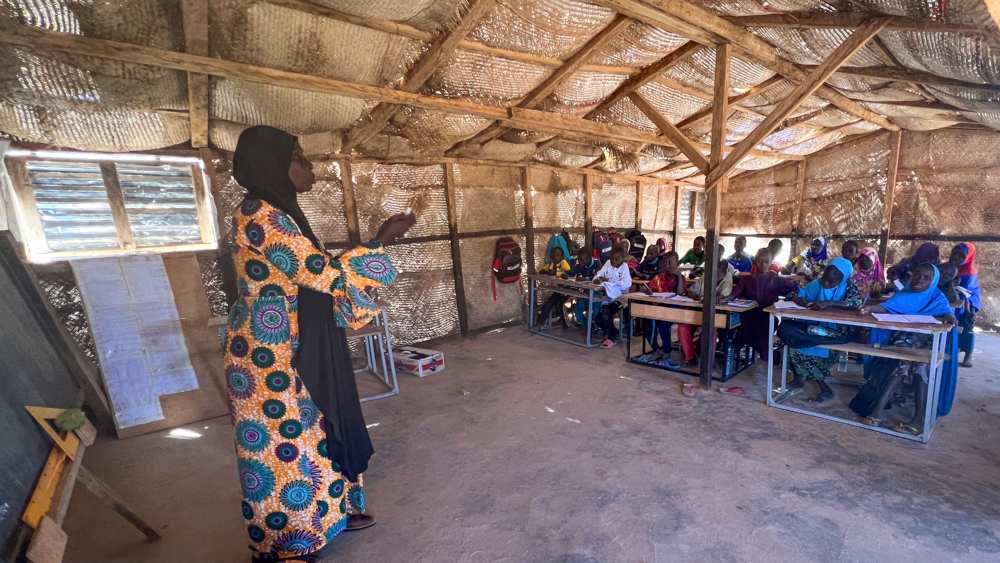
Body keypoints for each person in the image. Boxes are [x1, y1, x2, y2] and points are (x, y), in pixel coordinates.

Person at [226, 126, 415, 562]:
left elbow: (317, 271)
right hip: (269, 353)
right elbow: (322, 274)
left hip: (301, 339)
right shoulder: (260, 214)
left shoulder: (284, 212)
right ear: (274, 165)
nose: (308, 167)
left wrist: (375, 244)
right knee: (284, 445)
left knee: (318, 430)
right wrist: (381, 240)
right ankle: (286, 544)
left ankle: (330, 515)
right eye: (299, 157)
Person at [851, 264, 958, 433]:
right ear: (911, 274)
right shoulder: (905, 292)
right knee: (905, 360)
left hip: (929, 340)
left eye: (926, 278)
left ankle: (903, 414)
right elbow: (886, 307)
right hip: (904, 339)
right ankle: (910, 417)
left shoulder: (937, 297)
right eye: (917, 275)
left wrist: (950, 317)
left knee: (921, 364)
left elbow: (946, 313)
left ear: (934, 281)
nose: (919, 279)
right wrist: (870, 308)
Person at [778, 258, 863, 402]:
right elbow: (801, 295)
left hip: (837, 332)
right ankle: (800, 377)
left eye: (831, 281)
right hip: (815, 327)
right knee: (787, 330)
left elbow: (856, 303)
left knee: (799, 339)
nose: (825, 283)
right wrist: (799, 299)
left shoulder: (849, 286)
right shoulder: (817, 283)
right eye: (825, 278)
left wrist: (829, 303)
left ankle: (823, 387)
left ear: (842, 279)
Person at [733, 249, 799, 361]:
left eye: (766, 261)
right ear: (755, 261)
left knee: (762, 328)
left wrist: (792, 295)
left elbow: (795, 287)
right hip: (749, 315)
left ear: (771, 262)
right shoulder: (746, 279)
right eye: (759, 261)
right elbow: (734, 294)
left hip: (768, 316)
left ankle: (766, 353)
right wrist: (727, 298)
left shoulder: (776, 279)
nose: (762, 264)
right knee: (743, 329)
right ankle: (765, 353)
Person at [676, 259, 733, 366]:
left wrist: (712, 298)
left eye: (717, 273)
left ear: (724, 272)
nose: (713, 275)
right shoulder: (705, 277)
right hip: (698, 312)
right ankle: (690, 357)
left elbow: (724, 296)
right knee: (683, 327)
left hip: (716, 315)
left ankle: (708, 363)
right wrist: (693, 294)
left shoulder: (727, 279)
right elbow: (692, 291)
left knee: (711, 330)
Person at [641, 251, 685, 366]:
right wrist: (647, 290)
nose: (667, 266)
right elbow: (649, 288)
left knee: (663, 322)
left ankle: (666, 351)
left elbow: (680, 292)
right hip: (659, 309)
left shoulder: (680, 278)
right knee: (647, 321)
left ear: (677, 264)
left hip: (675, 311)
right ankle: (656, 349)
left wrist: (679, 276)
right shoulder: (660, 277)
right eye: (665, 263)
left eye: (670, 263)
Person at [593, 247, 632, 349]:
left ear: (622, 259)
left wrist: (610, 282)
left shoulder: (624, 267)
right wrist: (597, 279)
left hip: (620, 298)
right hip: (607, 298)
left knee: (606, 314)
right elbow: (598, 275)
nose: (613, 262)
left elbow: (627, 284)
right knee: (597, 319)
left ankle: (611, 338)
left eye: (617, 259)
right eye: (612, 259)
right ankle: (613, 332)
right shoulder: (607, 264)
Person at [949, 243, 981, 367]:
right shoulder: (950, 266)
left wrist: (968, 310)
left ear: (968, 258)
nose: (956, 257)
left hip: (969, 302)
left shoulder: (969, 272)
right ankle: (954, 348)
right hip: (956, 298)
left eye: (961, 256)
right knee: (956, 326)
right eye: (954, 253)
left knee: (967, 327)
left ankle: (968, 355)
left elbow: (965, 292)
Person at [537, 246, 572, 328]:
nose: (555, 257)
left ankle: (565, 323)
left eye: (557, 255)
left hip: (566, 290)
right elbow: (541, 271)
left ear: (562, 256)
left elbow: (568, 273)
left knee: (559, 304)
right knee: (548, 304)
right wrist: (545, 271)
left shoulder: (563, 263)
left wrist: (556, 273)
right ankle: (541, 323)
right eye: (553, 256)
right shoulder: (551, 264)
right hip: (556, 290)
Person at [570, 247, 601, 325]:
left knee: (594, 313)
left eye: (583, 260)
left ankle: (591, 326)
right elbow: (571, 273)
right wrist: (565, 275)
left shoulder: (597, 263)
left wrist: (585, 278)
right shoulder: (580, 265)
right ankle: (588, 326)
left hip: (596, 294)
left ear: (590, 258)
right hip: (585, 293)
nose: (581, 262)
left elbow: (599, 278)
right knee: (578, 314)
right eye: (579, 259)